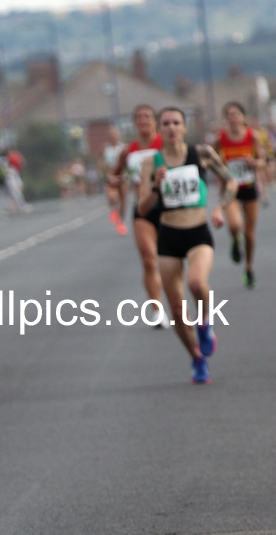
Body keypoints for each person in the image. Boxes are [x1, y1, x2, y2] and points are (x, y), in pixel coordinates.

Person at [138, 107, 238, 384]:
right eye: (166, 123)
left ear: (184, 127)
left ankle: (204, 322)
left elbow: (230, 181)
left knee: (196, 283)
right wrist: (156, 188)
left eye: (176, 123)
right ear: (160, 129)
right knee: (178, 311)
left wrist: (219, 208)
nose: (171, 127)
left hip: (198, 233)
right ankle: (196, 357)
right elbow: (143, 208)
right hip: (169, 236)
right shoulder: (152, 163)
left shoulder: (202, 153)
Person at [111, 105, 169, 326]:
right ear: (134, 122)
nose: (143, 120)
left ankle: (176, 299)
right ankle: (157, 310)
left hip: (167, 206)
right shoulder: (129, 150)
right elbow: (115, 174)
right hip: (142, 208)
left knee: (169, 260)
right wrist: (113, 181)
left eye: (148, 117)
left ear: (155, 121)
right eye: (139, 117)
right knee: (148, 260)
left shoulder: (164, 145)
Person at [215, 102, 265, 287]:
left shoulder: (252, 136)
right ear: (225, 118)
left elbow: (262, 161)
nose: (233, 118)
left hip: (250, 187)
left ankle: (249, 267)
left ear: (243, 117)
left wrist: (253, 162)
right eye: (229, 115)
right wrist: (221, 171)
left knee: (250, 234)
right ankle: (235, 241)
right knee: (235, 225)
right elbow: (212, 160)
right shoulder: (220, 139)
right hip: (231, 188)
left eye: (236, 114)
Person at [101, 125, 125, 231]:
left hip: (122, 176)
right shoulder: (105, 148)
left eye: (115, 135)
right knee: (112, 197)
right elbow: (102, 163)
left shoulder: (124, 147)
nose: (113, 137)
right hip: (110, 176)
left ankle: (120, 222)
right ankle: (113, 211)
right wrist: (107, 174)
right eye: (111, 135)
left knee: (123, 201)